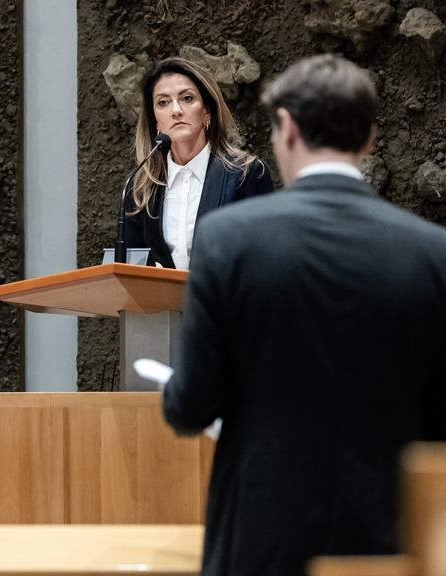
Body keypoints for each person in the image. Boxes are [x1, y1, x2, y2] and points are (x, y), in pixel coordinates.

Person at [163, 54, 446, 575]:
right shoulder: (433, 253)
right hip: (388, 538)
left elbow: (191, 407)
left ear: (287, 128)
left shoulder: (227, 241)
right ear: (369, 138)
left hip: (262, 536)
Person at [124, 57, 274, 269]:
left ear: (207, 112)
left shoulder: (246, 175)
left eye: (187, 98)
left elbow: (266, 259)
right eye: (163, 102)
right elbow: (128, 268)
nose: (176, 110)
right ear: (155, 120)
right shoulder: (140, 189)